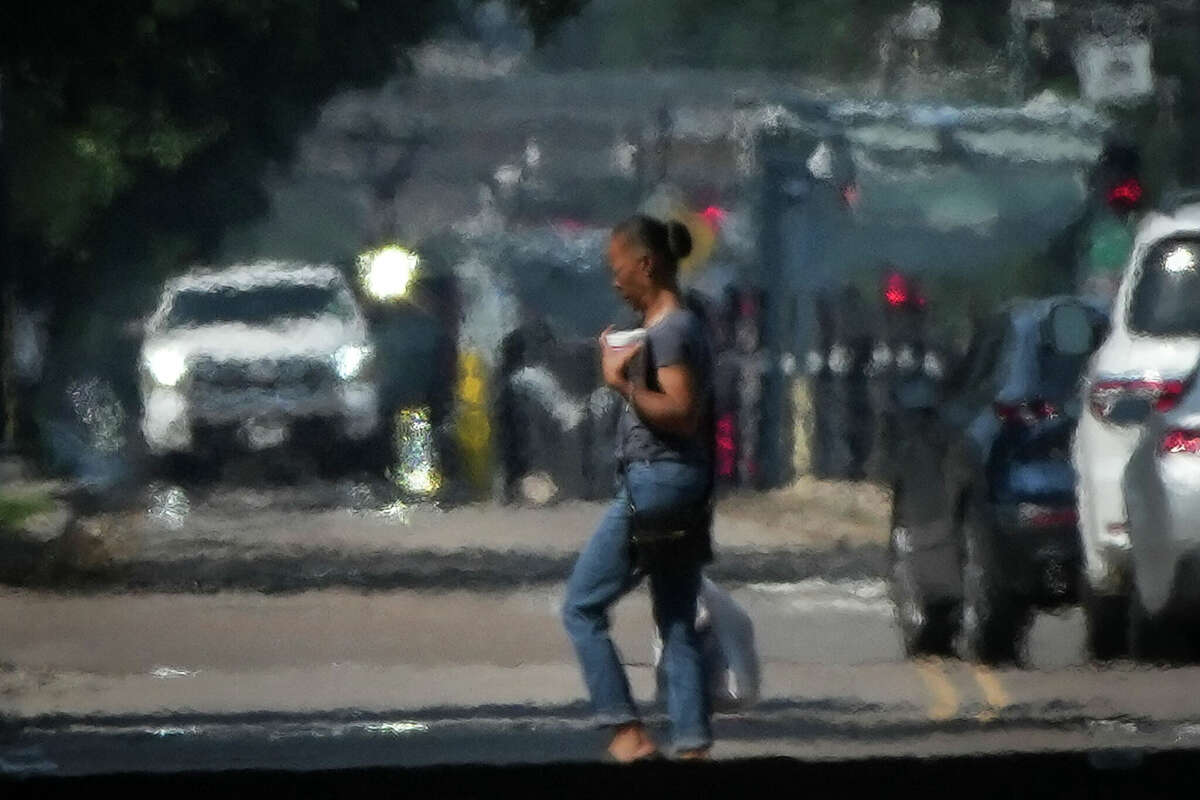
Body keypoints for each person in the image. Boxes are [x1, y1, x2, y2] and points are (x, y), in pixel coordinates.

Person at [561, 214, 716, 763]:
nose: (614, 281)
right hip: (683, 483)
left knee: (581, 607)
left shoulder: (671, 330)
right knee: (674, 619)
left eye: (618, 268)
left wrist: (620, 382)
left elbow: (679, 412)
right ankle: (692, 744)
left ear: (646, 264)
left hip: (655, 483)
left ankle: (626, 731)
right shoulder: (683, 324)